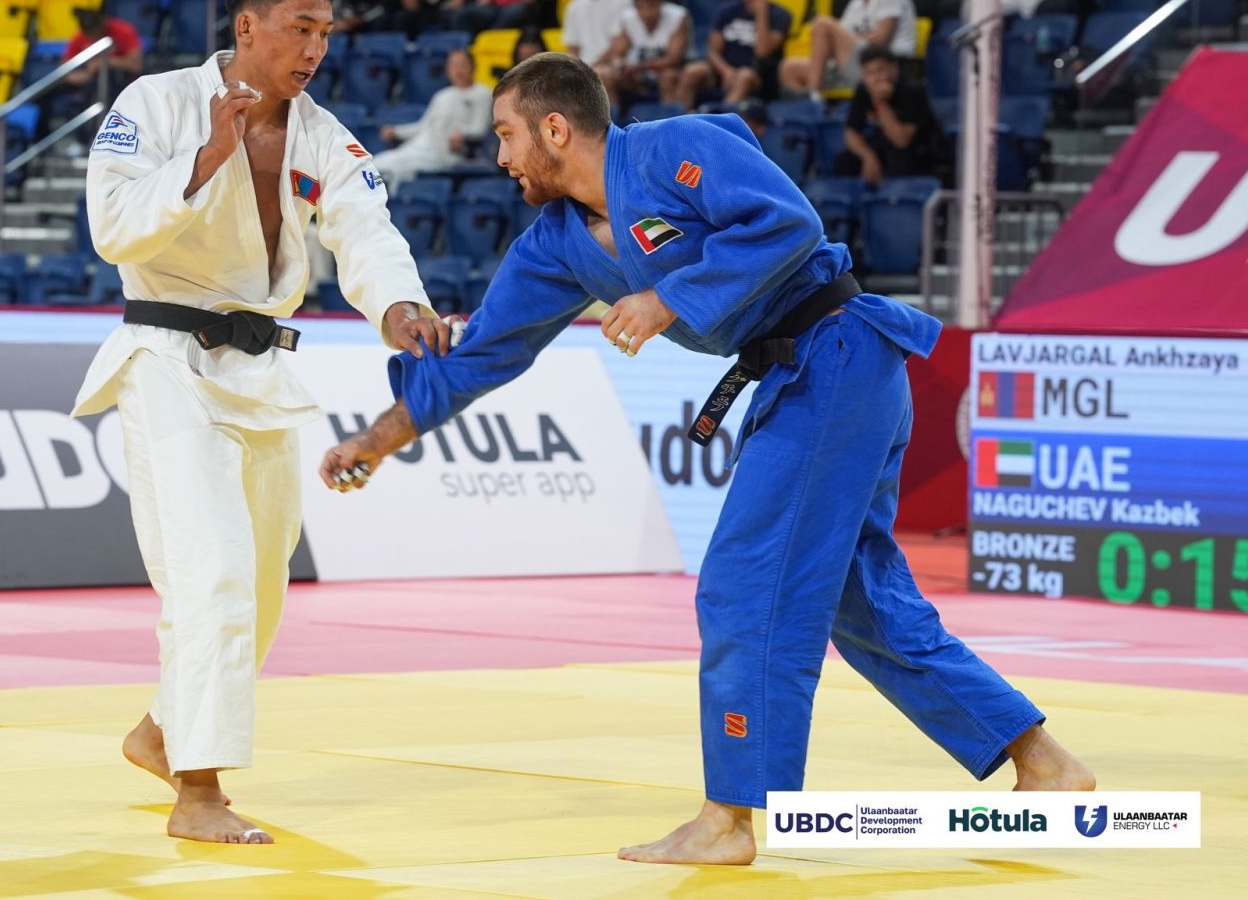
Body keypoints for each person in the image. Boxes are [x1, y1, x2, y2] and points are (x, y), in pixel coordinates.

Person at [318, 51, 1096, 867]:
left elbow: (787, 223)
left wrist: (667, 299)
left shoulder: (674, 149)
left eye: (509, 135)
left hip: (837, 352)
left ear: (556, 128)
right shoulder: (556, 243)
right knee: (857, 600)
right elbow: (484, 355)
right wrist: (375, 440)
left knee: (743, 585)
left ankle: (729, 818)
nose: (501, 157)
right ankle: (1044, 763)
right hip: (810, 377)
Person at [72, 0, 450, 846]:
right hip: (167, 359)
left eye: (325, 32)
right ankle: (199, 792)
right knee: (209, 570)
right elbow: (111, 227)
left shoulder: (323, 135)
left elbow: (366, 231)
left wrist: (401, 308)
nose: (315, 48)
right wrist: (207, 157)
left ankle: (162, 730)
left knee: (264, 587)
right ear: (247, 26)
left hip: (264, 371)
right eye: (299, 28)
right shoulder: (155, 104)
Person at [779, 0, 917, 102]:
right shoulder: (854, 5)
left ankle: (814, 94)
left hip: (887, 64)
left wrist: (846, 39)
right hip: (854, 64)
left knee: (822, 23)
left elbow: (880, 40)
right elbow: (838, 44)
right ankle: (811, 111)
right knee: (789, 68)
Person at [372, 50, 493, 188]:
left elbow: (480, 129)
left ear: (473, 66)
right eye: (453, 66)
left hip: (447, 153)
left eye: (462, 65)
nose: (458, 70)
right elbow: (423, 126)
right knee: (375, 164)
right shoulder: (441, 95)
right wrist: (397, 131)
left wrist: (463, 134)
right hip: (419, 146)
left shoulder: (483, 93)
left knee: (395, 170)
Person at [678, 0, 791, 108]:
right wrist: (726, 71)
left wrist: (761, 14)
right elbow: (712, 51)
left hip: (757, 77)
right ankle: (680, 118)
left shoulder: (780, 15)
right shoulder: (726, 11)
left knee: (744, 76)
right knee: (692, 71)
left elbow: (762, 52)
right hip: (722, 71)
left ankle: (722, 118)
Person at [838, 45, 944, 183]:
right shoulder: (864, 90)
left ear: (894, 69)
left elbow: (902, 140)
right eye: (869, 73)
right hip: (883, 145)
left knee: (900, 159)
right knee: (845, 160)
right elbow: (851, 133)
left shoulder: (912, 91)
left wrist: (880, 103)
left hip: (919, 150)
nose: (875, 78)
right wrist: (868, 157)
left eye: (880, 70)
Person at [62, 9, 146, 155]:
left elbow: (137, 65)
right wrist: (84, 76)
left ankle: (112, 141)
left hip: (122, 82)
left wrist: (106, 62)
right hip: (89, 84)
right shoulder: (80, 37)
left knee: (108, 86)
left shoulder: (122, 31)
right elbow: (65, 72)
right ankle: (82, 141)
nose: (92, 38)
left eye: (96, 33)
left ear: (102, 25)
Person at [596, 0, 690, 104]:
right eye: (641, 7)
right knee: (607, 75)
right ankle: (614, 115)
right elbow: (617, 51)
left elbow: (673, 59)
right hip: (638, 75)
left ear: (660, 3)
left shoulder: (677, 17)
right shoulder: (628, 18)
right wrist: (618, 63)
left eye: (651, 6)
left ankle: (669, 114)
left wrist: (638, 67)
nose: (647, 13)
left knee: (667, 76)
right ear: (635, 7)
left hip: (669, 71)